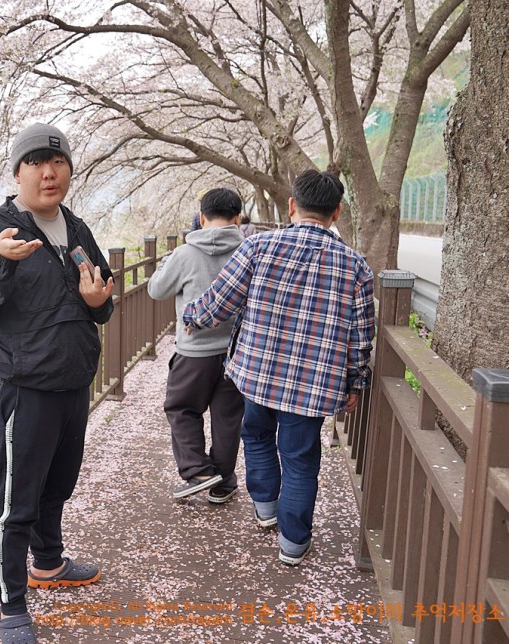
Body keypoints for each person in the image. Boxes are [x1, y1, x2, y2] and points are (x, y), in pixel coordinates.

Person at [0, 123, 115, 643]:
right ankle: (11, 603)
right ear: (17, 172)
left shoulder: (77, 227)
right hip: (22, 385)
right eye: (37, 163)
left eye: (58, 162)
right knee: (15, 497)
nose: (49, 172)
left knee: (57, 484)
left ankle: (48, 562)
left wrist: (97, 304)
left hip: (71, 380)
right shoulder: (0, 229)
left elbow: (102, 302)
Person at [182, 169, 375, 566]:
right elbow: (361, 336)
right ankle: (293, 541)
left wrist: (191, 316)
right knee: (301, 457)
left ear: (291, 206)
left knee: (255, 436)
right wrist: (355, 381)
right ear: (336, 212)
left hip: (258, 374)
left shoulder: (258, 247)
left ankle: (266, 506)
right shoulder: (356, 267)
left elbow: (219, 302)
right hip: (314, 383)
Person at [147, 188, 246, 505]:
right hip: (236, 352)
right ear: (238, 218)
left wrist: (165, 263)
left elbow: (157, 290)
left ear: (202, 218)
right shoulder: (248, 251)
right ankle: (224, 481)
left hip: (194, 353)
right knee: (227, 417)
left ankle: (198, 470)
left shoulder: (184, 254)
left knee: (181, 407)